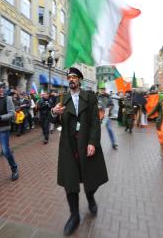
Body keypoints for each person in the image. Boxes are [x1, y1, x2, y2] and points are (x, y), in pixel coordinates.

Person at [51, 67, 108, 236]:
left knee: (92, 178)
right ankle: (74, 215)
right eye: (69, 77)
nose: (71, 79)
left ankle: (90, 196)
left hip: (86, 144)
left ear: (80, 80)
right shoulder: (63, 98)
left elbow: (95, 122)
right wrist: (54, 113)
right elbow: (56, 120)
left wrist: (93, 142)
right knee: (70, 182)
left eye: (74, 77)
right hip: (69, 146)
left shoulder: (89, 97)